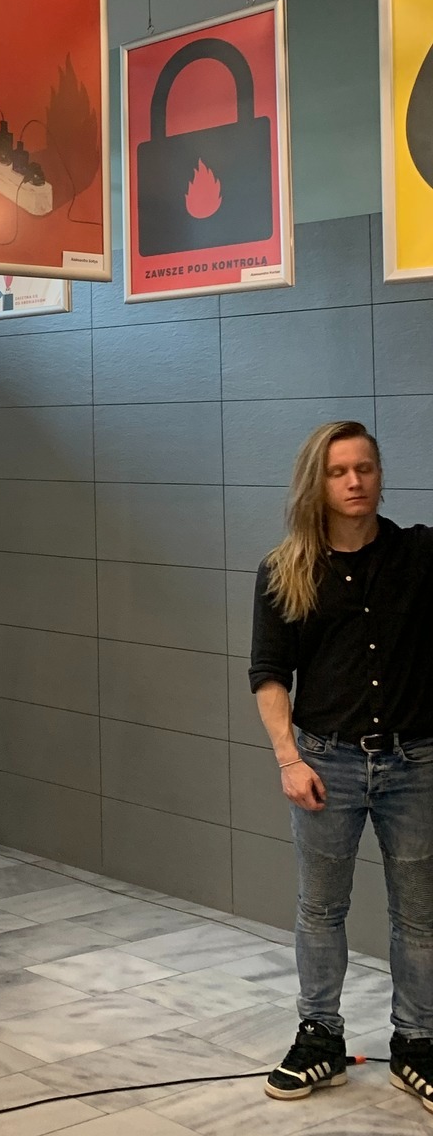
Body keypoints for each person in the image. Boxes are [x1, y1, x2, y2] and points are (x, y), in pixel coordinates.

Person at [252, 421, 433, 1111]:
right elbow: (270, 673)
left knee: (419, 914)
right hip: (327, 764)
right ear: (317, 482)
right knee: (321, 909)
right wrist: (288, 759)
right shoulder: (286, 569)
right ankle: (320, 1038)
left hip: (415, 764)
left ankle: (417, 1043)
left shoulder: (421, 555)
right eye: (339, 471)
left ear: (381, 475)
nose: (354, 482)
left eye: (365, 468)